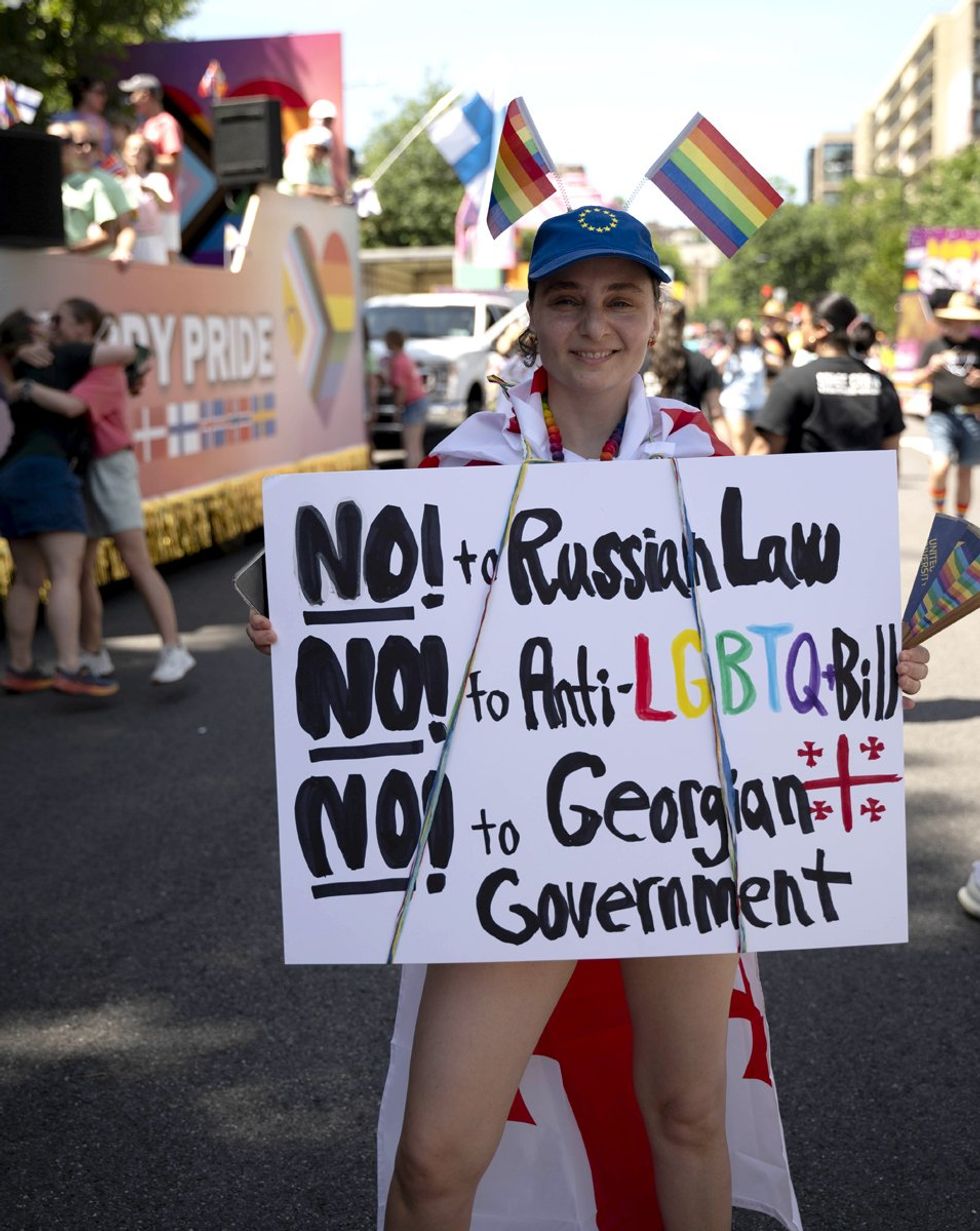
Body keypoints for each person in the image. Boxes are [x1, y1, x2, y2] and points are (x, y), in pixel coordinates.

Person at [247, 207, 931, 1230]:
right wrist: (319, 644)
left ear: (655, 317)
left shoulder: (702, 459)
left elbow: (767, 636)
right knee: (434, 1158)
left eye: (620, 300)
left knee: (689, 1113)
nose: (592, 325)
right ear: (531, 317)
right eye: (565, 300)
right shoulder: (467, 464)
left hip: (676, 830)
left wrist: (862, 661)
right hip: (515, 843)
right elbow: (408, 635)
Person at [51, 298, 196, 685]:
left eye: (59, 320)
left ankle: (174, 647)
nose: (54, 326)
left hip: (111, 465)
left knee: (136, 560)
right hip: (86, 468)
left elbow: (72, 407)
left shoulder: (105, 370)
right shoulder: (89, 365)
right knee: (82, 568)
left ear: (84, 328)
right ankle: (94, 652)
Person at [0, 310, 129, 697]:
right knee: (65, 573)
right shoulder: (65, 353)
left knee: (25, 578)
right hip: (48, 472)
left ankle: (20, 666)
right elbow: (130, 351)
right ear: (34, 330)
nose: (53, 323)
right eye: (46, 320)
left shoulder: (10, 365)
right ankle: (70, 666)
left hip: (9, 472)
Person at [751, 292, 905, 456]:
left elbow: (762, 452)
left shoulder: (794, 382)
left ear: (820, 329)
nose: (800, 329)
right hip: (863, 481)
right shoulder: (882, 385)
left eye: (803, 323)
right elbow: (891, 457)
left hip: (805, 481)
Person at [905, 290, 980, 518]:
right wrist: (931, 368)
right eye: (956, 320)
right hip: (941, 414)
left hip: (972, 416)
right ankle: (940, 515)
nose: (960, 326)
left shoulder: (978, 346)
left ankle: (959, 523)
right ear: (947, 321)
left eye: (965, 321)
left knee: (965, 472)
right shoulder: (934, 345)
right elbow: (914, 380)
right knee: (941, 464)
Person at [50, 121, 136, 264]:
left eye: (93, 144)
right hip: (61, 265)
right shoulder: (58, 181)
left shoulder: (109, 183)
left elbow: (126, 228)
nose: (87, 149)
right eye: (80, 144)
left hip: (97, 267)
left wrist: (122, 250)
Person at [119, 74, 183, 263]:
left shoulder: (166, 123)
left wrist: (144, 161)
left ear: (145, 95)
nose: (131, 99)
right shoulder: (144, 125)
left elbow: (174, 162)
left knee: (168, 256)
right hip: (143, 206)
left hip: (164, 205)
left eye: (133, 93)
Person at [645, 298, 724, 435]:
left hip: (642, 444)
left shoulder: (635, 362)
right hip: (689, 444)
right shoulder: (701, 362)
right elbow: (716, 413)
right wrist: (730, 455)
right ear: (683, 324)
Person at [716, 318, 767, 455]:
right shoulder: (730, 351)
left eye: (749, 330)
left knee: (754, 439)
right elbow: (715, 364)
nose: (746, 333)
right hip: (735, 400)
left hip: (756, 401)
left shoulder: (760, 351)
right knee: (739, 434)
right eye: (742, 330)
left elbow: (778, 363)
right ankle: (740, 466)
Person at [120, 133, 172, 265]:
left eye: (141, 150)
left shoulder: (157, 179)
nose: (136, 153)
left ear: (148, 156)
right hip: (128, 244)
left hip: (152, 242)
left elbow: (167, 207)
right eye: (132, 149)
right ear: (124, 153)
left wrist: (153, 193)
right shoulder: (119, 184)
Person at [383, 329, 429, 471]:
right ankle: (419, 473)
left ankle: (412, 474)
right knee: (417, 445)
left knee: (410, 445)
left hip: (412, 403)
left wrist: (397, 409)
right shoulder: (405, 358)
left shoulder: (398, 362)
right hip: (420, 400)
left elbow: (401, 388)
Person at [52, 76, 113, 157]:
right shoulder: (61, 120)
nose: (104, 98)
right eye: (100, 93)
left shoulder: (105, 125)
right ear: (84, 92)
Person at [277, 128, 338, 201]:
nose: (320, 153)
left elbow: (331, 190)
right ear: (308, 146)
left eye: (324, 150)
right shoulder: (296, 160)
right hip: (285, 205)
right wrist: (325, 192)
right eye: (317, 148)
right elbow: (302, 191)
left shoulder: (324, 167)